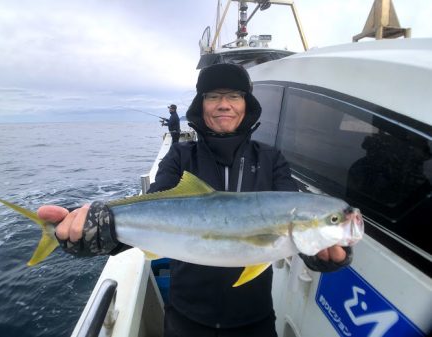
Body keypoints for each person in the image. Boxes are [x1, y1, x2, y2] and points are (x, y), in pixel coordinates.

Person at [37, 63, 352, 337]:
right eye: (213, 96)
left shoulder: (270, 159)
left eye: (234, 95)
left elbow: (296, 218)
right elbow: (150, 215)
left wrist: (319, 254)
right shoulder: (180, 155)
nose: (223, 104)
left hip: (253, 320)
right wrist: (96, 237)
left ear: (247, 104)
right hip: (186, 319)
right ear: (201, 105)